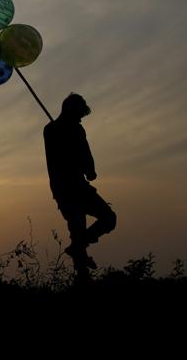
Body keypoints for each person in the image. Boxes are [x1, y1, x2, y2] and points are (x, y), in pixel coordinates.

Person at [43, 93, 116, 275]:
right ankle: (79, 253)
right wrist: (88, 169)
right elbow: (62, 159)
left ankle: (78, 246)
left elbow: (86, 157)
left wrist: (89, 170)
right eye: (79, 114)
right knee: (103, 219)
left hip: (75, 186)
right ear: (71, 111)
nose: (81, 118)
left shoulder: (70, 129)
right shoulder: (53, 130)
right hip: (67, 189)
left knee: (106, 220)